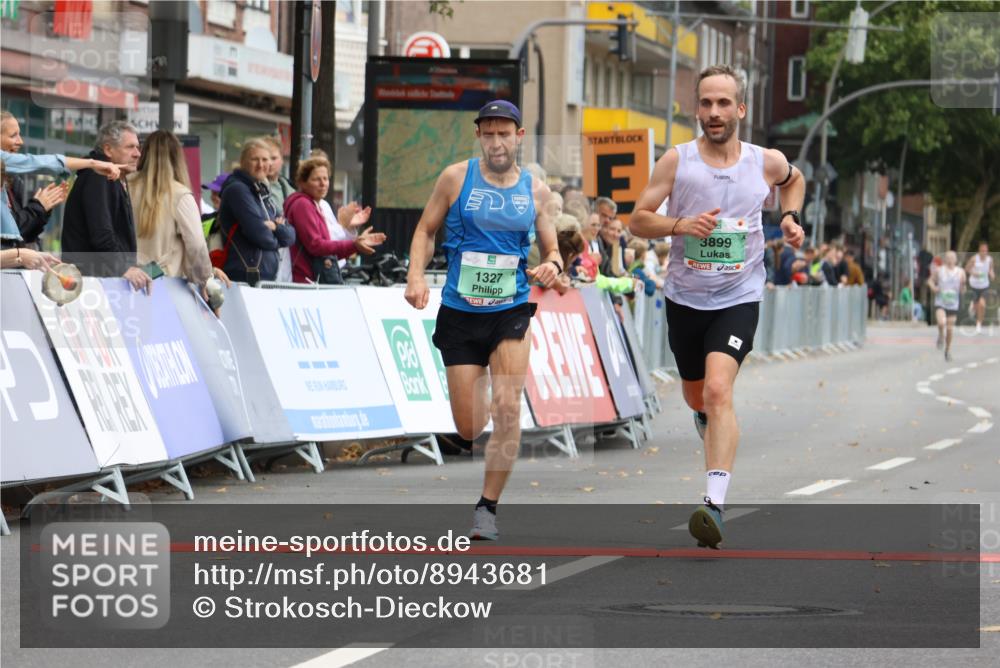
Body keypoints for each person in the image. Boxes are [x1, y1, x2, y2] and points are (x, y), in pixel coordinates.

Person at [630, 65, 805, 549]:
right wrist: (679, 225)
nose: (714, 111)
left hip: (739, 296)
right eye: (706, 103)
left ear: (740, 109)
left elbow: (794, 179)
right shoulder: (677, 161)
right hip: (686, 298)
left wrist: (790, 216)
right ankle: (706, 418)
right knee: (697, 398)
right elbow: (637, 220)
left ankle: (713, 505)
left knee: (718, 388)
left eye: (723, 103)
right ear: (696, 109)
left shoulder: (764, 161)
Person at [404, 100, 561, 541]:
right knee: (469, 426)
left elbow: (552, 250)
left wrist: (552, 265)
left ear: (519, 136)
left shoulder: (536, 191)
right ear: (478, 135)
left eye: (504, 133)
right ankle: (482, 389)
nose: (496, 142)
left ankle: (487, 508)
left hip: (510, 309)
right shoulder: (455, 178)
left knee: (508, 408)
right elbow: (425, 231)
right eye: (488, 133)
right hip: (460, 311)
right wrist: (416, 275)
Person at [130, 130, 230, 306]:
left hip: (126, 281)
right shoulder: (180, 195)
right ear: (177, 158)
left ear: (144, 153)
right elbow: (196, 245)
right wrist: (206, 278)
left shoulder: (124, 185)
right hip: (164, 285)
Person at [61, 120, 152, 293]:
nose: (137, 154)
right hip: (92, 285)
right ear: (108, 150)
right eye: (130, 147)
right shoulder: (99, 176)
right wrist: (123, 268)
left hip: (101, 280)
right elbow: (101, 232)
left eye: (138, 147)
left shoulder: (112, 176)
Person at [284, 155, 385, 284]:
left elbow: (328, 251)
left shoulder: (316, 205)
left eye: (325, 178)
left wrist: (355, 244)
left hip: (312, 280)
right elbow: (316, 245)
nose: (323, 184)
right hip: (305, 282)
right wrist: (354, 245)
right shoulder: (303, 204)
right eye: (316, 179)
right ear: (302, 183)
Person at [216, 138, 295, 286]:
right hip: (245, 278)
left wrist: (276, 227)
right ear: (243, 162)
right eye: (255, 159)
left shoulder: (261, 190)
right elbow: (259, 234)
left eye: (265, 159)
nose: (261, 165)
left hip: (262, 278)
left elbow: (291, 235)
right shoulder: (238, 190)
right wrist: (278, 239)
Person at [1, 111, 69, 249]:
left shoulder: (13, 180)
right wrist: (38, 207)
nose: (20, 141)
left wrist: (43, 208)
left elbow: (24, 233)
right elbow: (8, 232)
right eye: (13, 135)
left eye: (19, 134)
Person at [261, 136, 296, 283]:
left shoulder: (291, 191)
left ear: (282, 160)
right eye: (265, 158)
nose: (269, 163)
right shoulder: (251, 188)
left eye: (274, 158)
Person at [929, 250, 965, 361]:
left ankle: (947, 350)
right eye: (948, 258)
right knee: (941, 322)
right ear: (945, 259)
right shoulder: (939, 270)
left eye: (952, 258)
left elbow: (963, 288)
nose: (950, 260)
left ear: (956, 260)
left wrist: (962, 287)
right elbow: (930, 281)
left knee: (949, 329)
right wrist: (934, 288)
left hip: (953, 304)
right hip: (941, 302)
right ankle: (940, 335)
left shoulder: (960, 272)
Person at [965, 241, 994, 334]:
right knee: (977, 305)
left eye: (985, 251)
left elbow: (991, 270)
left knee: (982, 305)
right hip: (974, 285)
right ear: (979, 250)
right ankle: (973, 306)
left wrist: (991, 274)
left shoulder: (990, 259)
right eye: (982, 250)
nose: (984, 252)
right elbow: (967, 269)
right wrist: (974, 273)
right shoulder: (974, 259)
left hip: (985, 285)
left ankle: (979, 324)